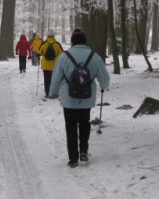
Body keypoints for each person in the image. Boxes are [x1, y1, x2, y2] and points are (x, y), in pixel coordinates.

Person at [49, 28, 110, 168]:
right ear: (85, 41)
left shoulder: (64, 57)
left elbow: (56, 77)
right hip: (87, 98)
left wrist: (53, 92)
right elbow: (104, 79)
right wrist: (104, 85)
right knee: (84, 124)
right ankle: (83, 150)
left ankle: (73, 158)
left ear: (72, 42)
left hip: (68, 99)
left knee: (70, 127)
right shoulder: (94, 57)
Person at [37, 30, 63, 98]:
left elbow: (38, 52)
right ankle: (53, 93)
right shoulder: (57, 44)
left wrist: (42, 54)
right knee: (53, 79)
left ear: (47, 35)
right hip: (54, 66)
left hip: (45, 65)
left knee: (46, 79)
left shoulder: (44, 43)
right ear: (53, 35)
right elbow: (62, 54)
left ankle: (47, 93)